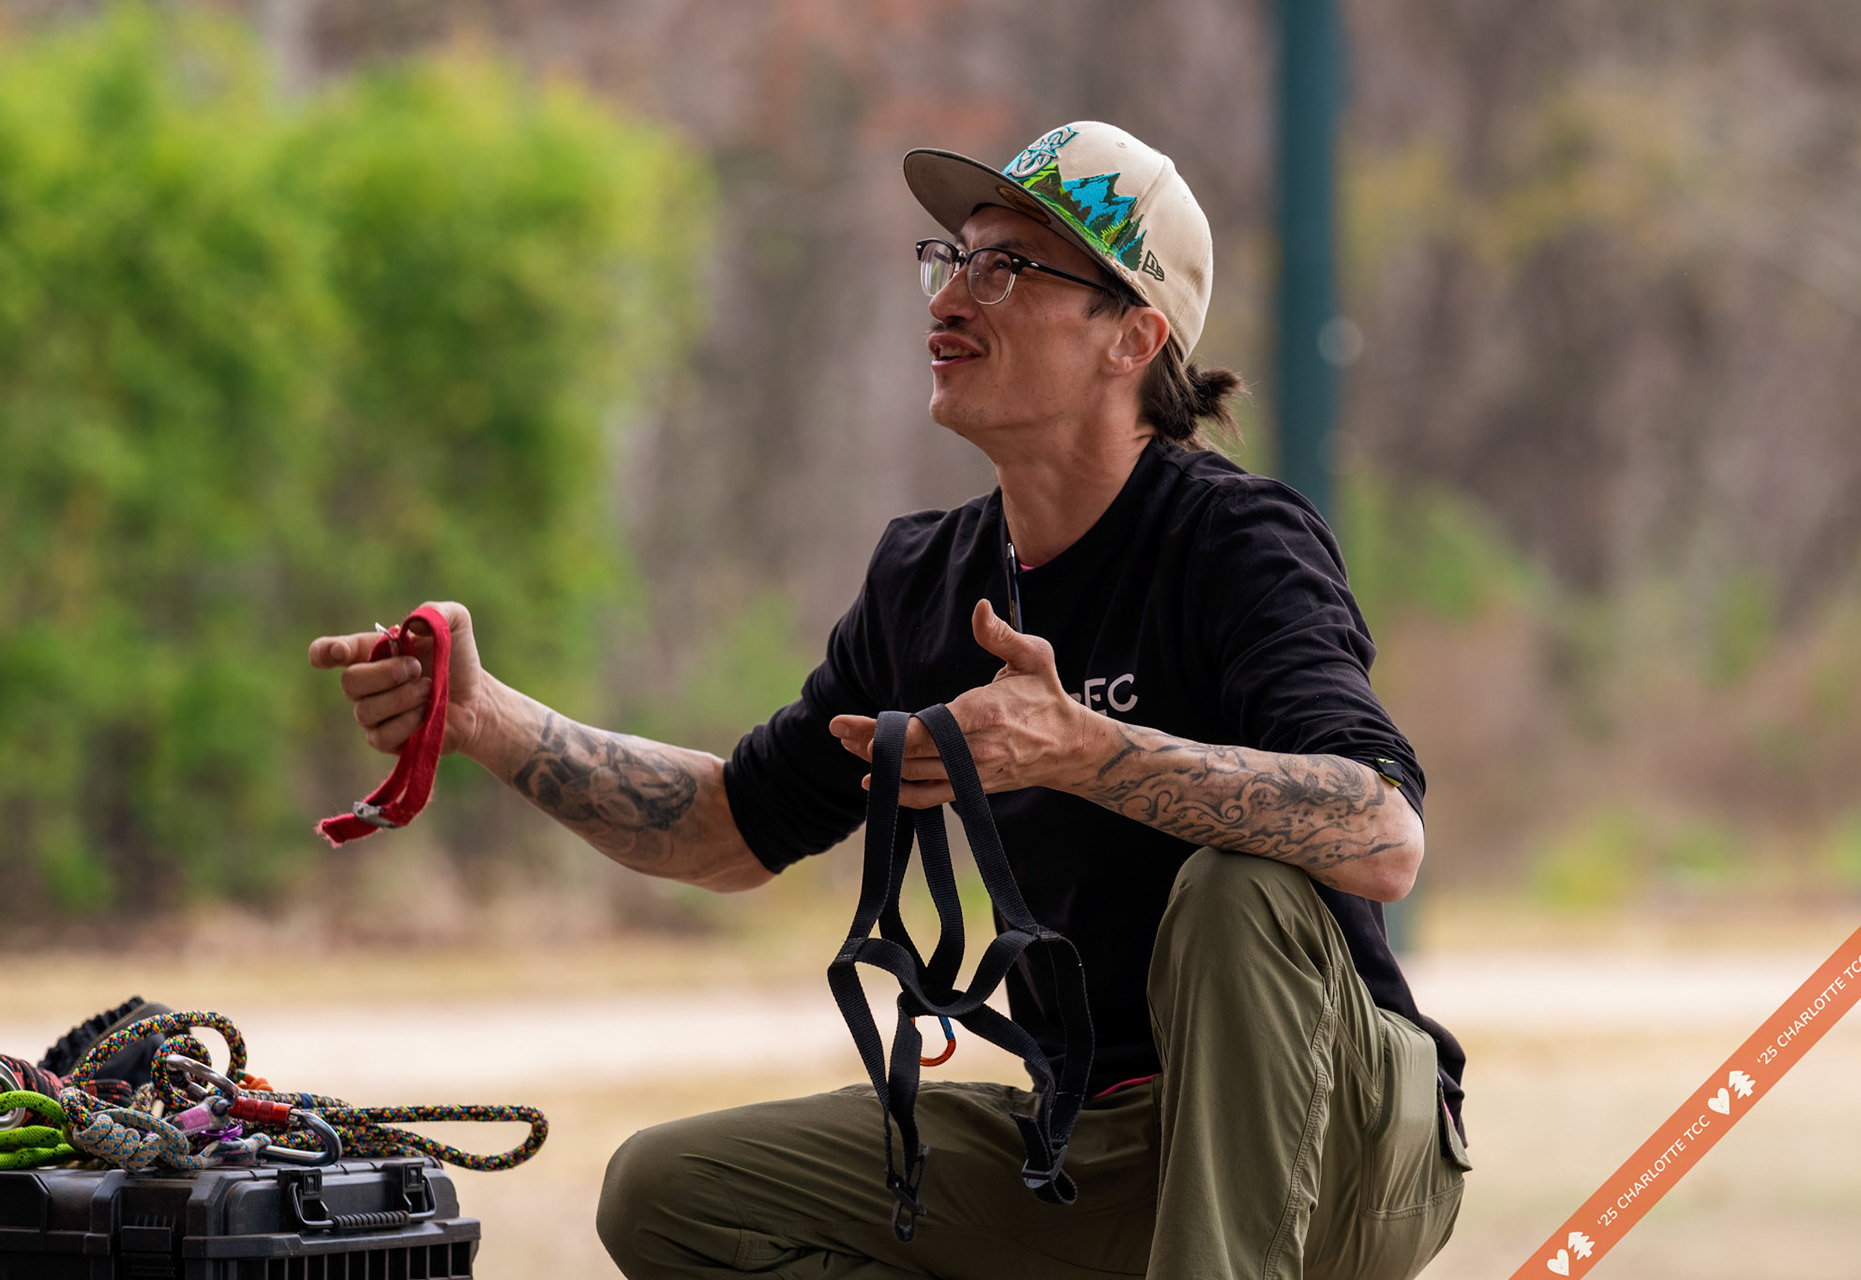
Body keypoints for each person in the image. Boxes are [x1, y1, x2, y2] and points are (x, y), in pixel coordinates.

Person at [310, 120, 1470, 1280]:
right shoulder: (927, 585)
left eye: (1009, 266)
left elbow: (1380, 828)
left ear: (1134, 336)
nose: (953, 297)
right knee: (671, 1193)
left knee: (1238, 889)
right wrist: (487, 719)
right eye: (953, 258)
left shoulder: (1233, 540)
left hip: (1346, 1137)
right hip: (1103, 1146)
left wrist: (1083, 749)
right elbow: (728, 826)